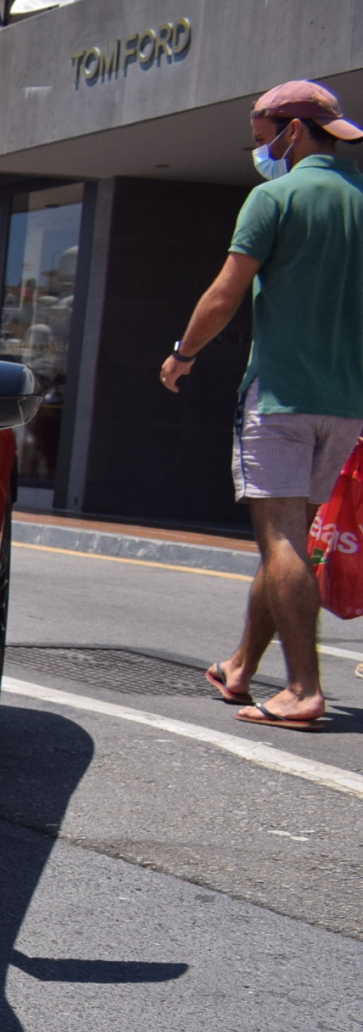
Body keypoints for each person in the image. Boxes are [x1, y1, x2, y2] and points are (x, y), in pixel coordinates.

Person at [160, 81, 363, 728]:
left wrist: (183, 352)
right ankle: (242, 666)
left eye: (261, 136)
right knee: (292, 541)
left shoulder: (275, 197)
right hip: (346, 403)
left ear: (293, 130)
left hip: (280, 398)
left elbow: (225, 293)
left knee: (279, 539)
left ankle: (303, 688)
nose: (262, 150)